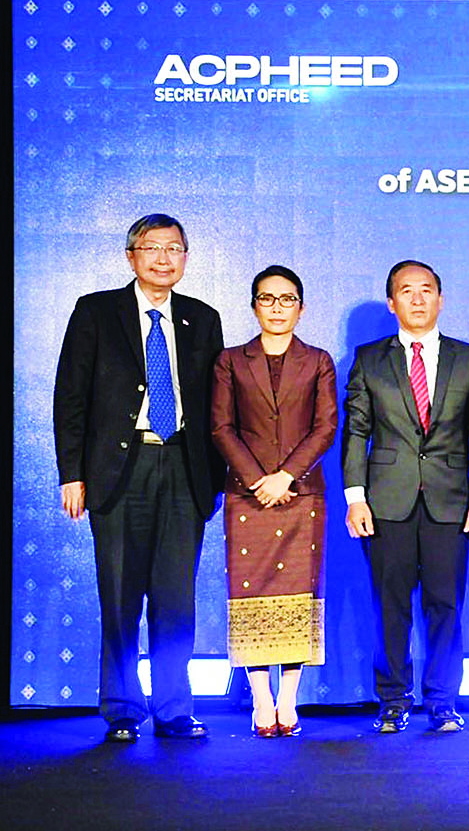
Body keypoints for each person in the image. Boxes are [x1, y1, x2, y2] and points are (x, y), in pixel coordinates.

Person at [54, 213, 225, 742]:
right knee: (121, 594)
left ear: (186, 258)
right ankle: (123, 707)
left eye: (174, 248)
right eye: (152, 248)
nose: (163, 258)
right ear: (131, 256)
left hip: (183, 467)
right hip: (119, 471)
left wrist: (216, 477)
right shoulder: (96, 311)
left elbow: (216, 405)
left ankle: (174, 708)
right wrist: (71, 473)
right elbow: (70, 397)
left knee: (176, 599)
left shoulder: (203, 318)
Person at [342, 260, 469, 734]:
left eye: (426, 289)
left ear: (441, 299)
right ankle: (392, 700)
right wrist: (355, 497)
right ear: (392, 303)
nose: (418, 298)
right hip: (386, 502)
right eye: (407, 291)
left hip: (451, 501)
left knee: (446, 606)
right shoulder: (370, 359)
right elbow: (356, 431)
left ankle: (443, 702)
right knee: (391, 606)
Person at [211, 266, 337, 738]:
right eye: (267, 299)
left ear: (301, 308)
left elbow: (325, 426)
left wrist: (285, 476)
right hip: (248, 496)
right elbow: (221, 427)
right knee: (252, 595)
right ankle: (261, 699)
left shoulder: (318, 360)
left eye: (287, 299)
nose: (277, 308)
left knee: (298, 596)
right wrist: (257, 480)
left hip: (301, 493)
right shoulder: (230, 361)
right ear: (254, 306)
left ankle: (289, 698)